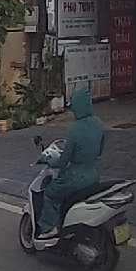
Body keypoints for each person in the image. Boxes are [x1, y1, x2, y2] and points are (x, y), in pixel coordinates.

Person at [36, 88, 104, 239]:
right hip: (94, 175)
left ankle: (49, 228)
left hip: (75, 177)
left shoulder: (74, 129)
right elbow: (100, 151)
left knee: (50, 193)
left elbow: (63, 161)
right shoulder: (99, 124)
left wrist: (50, 160)